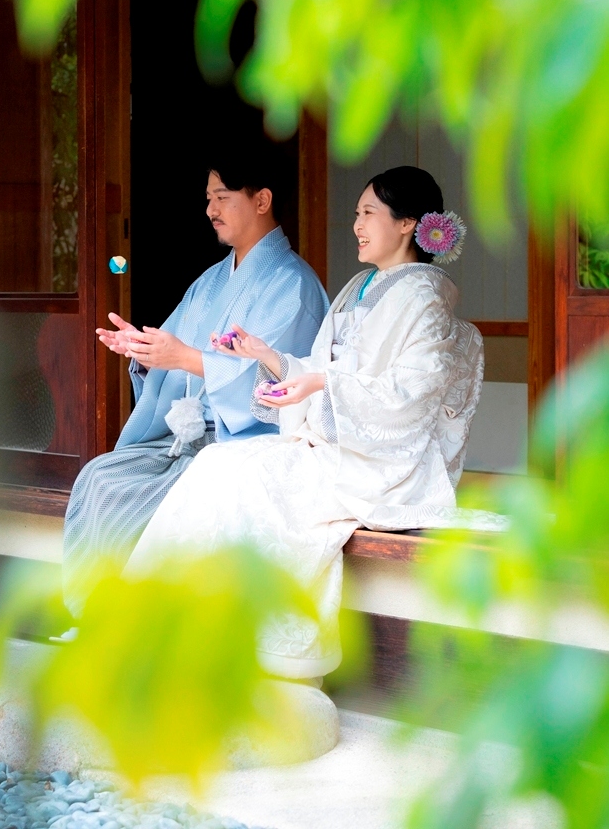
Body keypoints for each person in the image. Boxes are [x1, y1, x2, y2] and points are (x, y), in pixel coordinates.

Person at [124, 166, 508, 679]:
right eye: (356, 213)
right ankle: (160, 622)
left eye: (369, 213)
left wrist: (319, 386)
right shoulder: (359, 286)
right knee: (216, 463)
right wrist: (268, 358)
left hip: (377, 460)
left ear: (407, 224)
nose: (357, 225)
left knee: (255, 480)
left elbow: (407, 396)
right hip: (334, 440)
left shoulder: (425, 297)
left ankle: (249, 647)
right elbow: (320, 368)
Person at [62, 153, 328, 616]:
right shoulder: (210, 281)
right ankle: (96, 619)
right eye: (208, 199)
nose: (210, 210)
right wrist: (144, 353)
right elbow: (173, 350)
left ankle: (136, 623)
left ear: (262, 200)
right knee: (100, 478)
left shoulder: (294, 284)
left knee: (149, 504)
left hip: (241, 447)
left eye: (222, 197)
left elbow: (276, 378)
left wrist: (181, 357)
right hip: (187, 439)